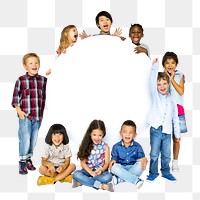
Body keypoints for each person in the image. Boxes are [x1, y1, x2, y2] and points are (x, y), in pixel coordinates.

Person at [11, 53, 47, 175]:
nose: (34, 65)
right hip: (25, 116)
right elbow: (16, 98)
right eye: (31, 63)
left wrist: (51, 74)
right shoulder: (21, 80)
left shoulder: (43, 80)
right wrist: (19, 111)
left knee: (33, 139)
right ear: (25, 66)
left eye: (36, 62)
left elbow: (51, 90)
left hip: (38, 116)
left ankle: (28, 158)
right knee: (25, 139)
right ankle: (22, 160)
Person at [146, 58, 181, 182]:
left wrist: (177, 133)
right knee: (154, 153)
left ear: (169, 84)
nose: (162, 86)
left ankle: (166, 171)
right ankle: (153, 172)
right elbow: (151, 81)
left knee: (166, 154)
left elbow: (175, 118)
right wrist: (154, 66)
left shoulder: (172, 100)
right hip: (155, 129)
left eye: (164, 83)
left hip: (167, 131)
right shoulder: (155, 95)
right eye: (159, 84)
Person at [162, 52, 187, 172]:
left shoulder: (180, 75)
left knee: (177, 138)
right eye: (167, 63)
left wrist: (171, 79)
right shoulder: (161, 76)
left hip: (178, 110)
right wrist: (166, 77)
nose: (170, 65)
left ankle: (175, 162)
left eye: (173, 62)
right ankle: (165, 163)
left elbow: (181, 91)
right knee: (165, 137)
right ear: (164, 65)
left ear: (176, 64)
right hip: (166, 111)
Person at [72, 119, 114, 192]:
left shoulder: (105, 147)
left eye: (100, 135)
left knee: (108, 177)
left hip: (100, 172)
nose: (97, 138)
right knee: (76, 174)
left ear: (103, 134)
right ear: (90, 133)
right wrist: (91, 173)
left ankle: (83, 181)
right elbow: (83, 163)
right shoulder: (86, 145)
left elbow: (107, 163)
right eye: (94, 135)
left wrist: (101, 170)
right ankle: (101, 186)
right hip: (88, 171)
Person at [109, 120, 147, 189]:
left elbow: (142, 157)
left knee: (142, 164)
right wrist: (113, 161)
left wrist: (144, 159)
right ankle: (135, 180)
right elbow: (114, 158)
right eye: (125, 132)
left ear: (135, 134)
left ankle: (120, 179)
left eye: (130, 132)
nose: (127, 134)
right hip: (120, 167)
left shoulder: (137, 146)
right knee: (113, 167)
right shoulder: (116, 146)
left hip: (132, 167)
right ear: (120, 133)